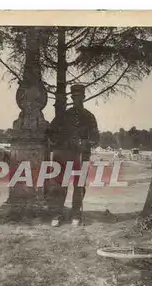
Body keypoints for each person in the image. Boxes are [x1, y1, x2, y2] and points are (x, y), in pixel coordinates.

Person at [45, 84, 100, 227]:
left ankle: (76, 213)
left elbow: (96, 138)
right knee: (60, 185)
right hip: (64, 155)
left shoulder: (89, 117)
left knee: (79, 185)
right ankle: (57, 213)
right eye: (74, 97)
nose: (77, 100)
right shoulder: (63, 116)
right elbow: (50, 133)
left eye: (79, 97)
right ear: (72, 98)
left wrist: (85, 143)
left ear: (83, 98)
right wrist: (58, 143)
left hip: (82, 156)